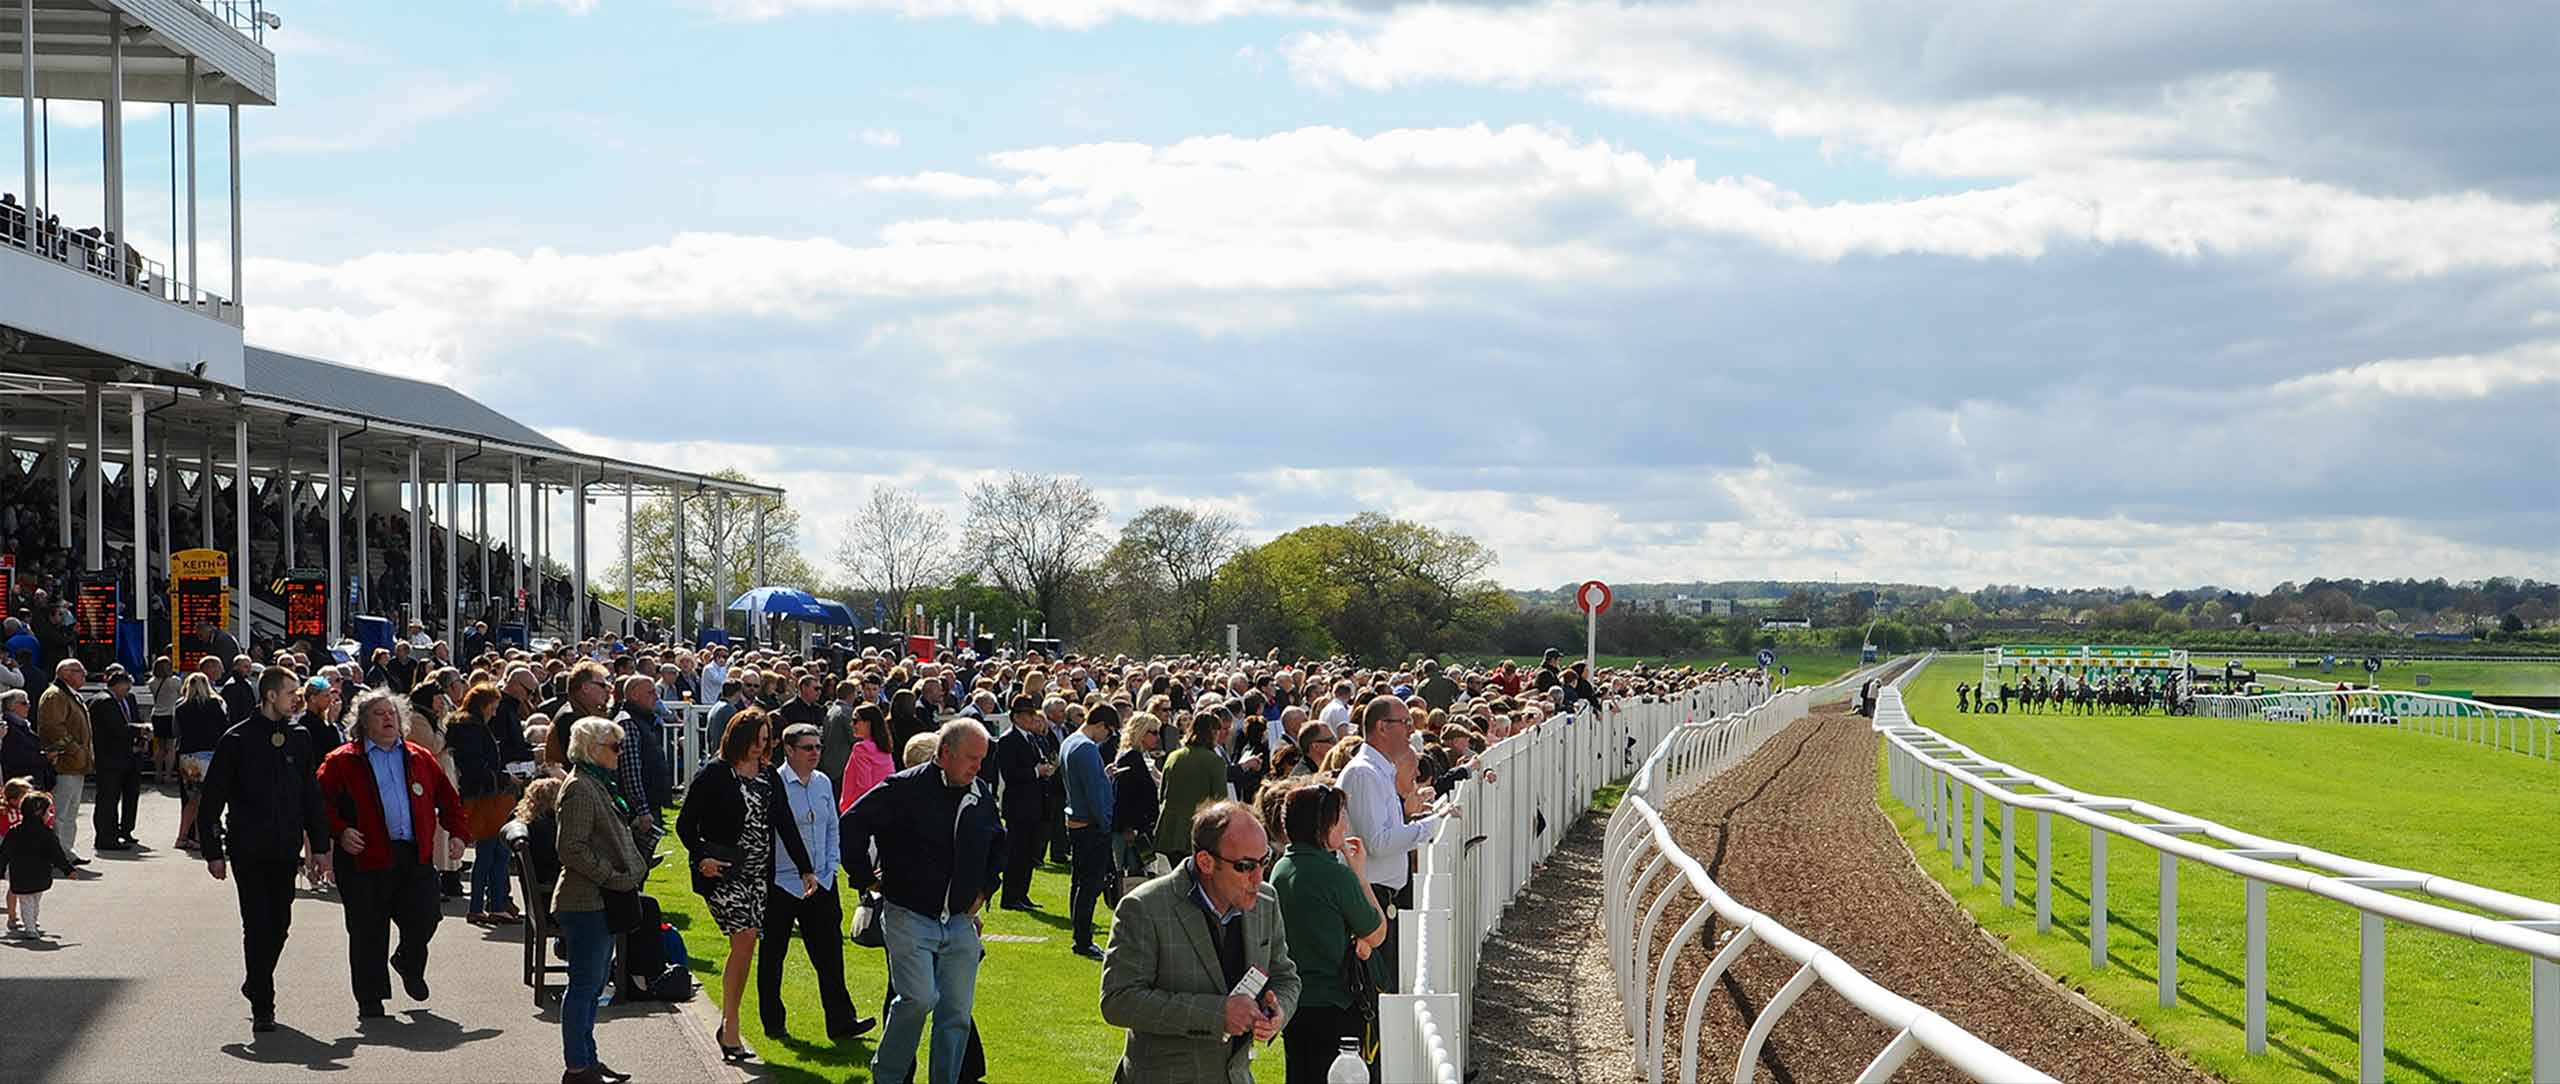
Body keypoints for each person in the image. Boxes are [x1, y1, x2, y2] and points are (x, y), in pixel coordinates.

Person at [840, 719, 1004, 1084]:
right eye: (971, 758)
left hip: (959, 921)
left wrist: (985, 889)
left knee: (957, 1014)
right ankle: (889, 1077)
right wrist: (865, 878)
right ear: (945, 754)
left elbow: (997, 840)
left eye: (982, 758)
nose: (978, 766)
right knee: (917, 999)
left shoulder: (980, 793)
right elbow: (852, 822)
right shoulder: (902, 789)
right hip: (908, 915)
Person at [1099, 800, 1302, 1084]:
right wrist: (1217, 1014)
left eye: (1265, 860)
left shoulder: (1266, 901)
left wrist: (1277, 1011)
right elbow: (1119, 1000)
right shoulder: (1144, 907)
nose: (1259, 877)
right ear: (1206, 862)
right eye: (1245, 866)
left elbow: (1285, 977)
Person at [316, 687, 469, 1019]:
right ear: (362, 723)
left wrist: (458, 833)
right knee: (367, 929)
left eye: (392, 714)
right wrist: (340, 831)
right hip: (364, 858)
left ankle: (408, 961)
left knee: (426, 915)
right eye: (379, 714)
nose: (388, 719)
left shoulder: (418, 757)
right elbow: (318, 804)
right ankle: (370, 998)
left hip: (414, 855)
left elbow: (447, 798)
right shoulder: (342, 760)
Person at [197, 666, 332, 1032]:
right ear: (271, 695)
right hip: (248, 847)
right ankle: (263, 1002)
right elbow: (212, 799)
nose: (297, 700)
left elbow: (311, 797)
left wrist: (320, 846)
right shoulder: (237, 739)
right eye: (291, 693)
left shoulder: (300, 737)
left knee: (280, 924)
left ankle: (255, 979)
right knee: (257, 924)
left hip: (286, 847)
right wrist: (213, 850)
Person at [760, 722, 875, 1040]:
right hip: (782, 882)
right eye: (808, 748)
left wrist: (831, 868)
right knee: (773, 955)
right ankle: (773, 1021)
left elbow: (831, 827)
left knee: (830, 955)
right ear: (789, 750)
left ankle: (841, 1021)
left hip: (822, 882)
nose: (815, 754)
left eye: (818, 747)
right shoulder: (775, 784)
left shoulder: (823, 782)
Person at [676, 708, 778, 1064]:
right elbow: (686, 825)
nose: (760, 747)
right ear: (738, 738)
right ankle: (731, 1025)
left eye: (765, 741)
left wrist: (808, 868)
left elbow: (783, 825)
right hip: (721, 871)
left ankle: (729, 1021)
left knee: (748, 944)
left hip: (758, 873)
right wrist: (701, 857)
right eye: (755, 740)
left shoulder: (767, 775)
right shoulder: (714, 774)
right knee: (744, 936)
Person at [1271, 783, 1387, 1083]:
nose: (1346, 824)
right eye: (1340, 818)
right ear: (1322, 824)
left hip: (1294, 1003)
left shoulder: (1279, 869)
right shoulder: (1337, 876)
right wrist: (1360, 874)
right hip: (1337, 1003)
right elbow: (1376, 933)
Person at [1338, 694, 1453, 993]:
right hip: (1370, 893)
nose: (1411, 730)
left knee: (1388, 984)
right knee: (1378, 990)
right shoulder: (1364, 773)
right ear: (1381, 727)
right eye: (1404, 723)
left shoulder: (1378, 771)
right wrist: (1431, 825)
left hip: (1382, 891)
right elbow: (1378, 842)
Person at [555, 718, 645, 1084]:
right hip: (587, 901)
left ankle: (587, 1059)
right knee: (584, 986)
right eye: (614, 746)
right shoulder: (580, 787)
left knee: (592, 987)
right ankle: (578, 1067)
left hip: (600, 900)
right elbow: (570, 848)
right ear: (592, 748)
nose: (620, 753)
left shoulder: (597, 783)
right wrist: (611, 874)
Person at [446, 683, 521, 926]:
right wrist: (504, 777)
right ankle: (485, 906)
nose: (495, 712)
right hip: (484, 797)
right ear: (484, 705)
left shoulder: (465, 725)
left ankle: (489, 904)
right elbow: (475, 768)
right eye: (493, 707)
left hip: (481, 795)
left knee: (492, 853)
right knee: (492, 853)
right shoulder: (472, 728)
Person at [1059, 702, 1117, 959]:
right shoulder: (1086, 748)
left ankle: (1079, 933)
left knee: (1078, 881)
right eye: (1110, 731)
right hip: (1090, 825)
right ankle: (1082, 939)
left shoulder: (1071, 741)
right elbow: (1094, 794)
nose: (1109, 737)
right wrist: (1106, 824)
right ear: (1102, 725)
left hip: (1076, 820)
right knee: (1089, 885)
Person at [991, 696, 1055, 911]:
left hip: (1033, 803)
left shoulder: (1031, 738)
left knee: (1029, 853)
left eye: (1032, 714)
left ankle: (1022, 893)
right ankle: (1011, 896)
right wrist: (1037, 771)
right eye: (1027, 714)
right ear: (1016, 717)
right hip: (1019, 805)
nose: (1031, 718)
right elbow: (1010, 774)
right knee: (1016, 853)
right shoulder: (1009, 740)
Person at [1155, 712, 1228, 868]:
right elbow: (1220, 802)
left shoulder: (1173, 756)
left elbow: (1162, 794)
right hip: (1197, 832)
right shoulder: (1215, 761)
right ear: (1213, 733)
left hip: (1169, 830)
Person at [35, 657, 90, 858]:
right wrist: (75, 748)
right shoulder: (54, 696)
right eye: (79, 671)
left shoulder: (70, 695)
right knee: (59, 812)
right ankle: (56, 854)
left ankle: (67, 851)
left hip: (76, 763)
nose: (84, 675)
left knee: (71, 811)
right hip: (64, 762)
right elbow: (53, 728)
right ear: (65, 674)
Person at [3, 790, 75, 939]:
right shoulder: (47, 834)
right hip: (41, 875)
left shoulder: (14, 832)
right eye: (48, 812)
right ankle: (31, 926)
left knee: (28, 900)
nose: (50, 815)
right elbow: (57, 855)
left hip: (20, 874)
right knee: (33, 899)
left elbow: (3, 854)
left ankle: (31, 924)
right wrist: (68, 870)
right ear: (38, 813)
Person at [87, 670, 144, 850]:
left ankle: (114, 834)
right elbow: (116, 730)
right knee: (108, 800)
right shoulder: (105, 702)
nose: (128, 691)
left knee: (111, 798)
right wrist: (139, 730)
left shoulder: (107, 700)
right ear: (118, 685)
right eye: (127, 687)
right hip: (111, 759)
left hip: (117, 757)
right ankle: (106, 838)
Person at [172, 672, 227, 849]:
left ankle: (182, 836)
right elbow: (223, 728)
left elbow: (176, 731)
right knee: (205, 799)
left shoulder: (181, 706)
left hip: (187, 755)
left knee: (191, 799)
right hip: (208, 755)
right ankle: (198, 837)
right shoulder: (215, 704)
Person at [1110, 711, 1163, 884]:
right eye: (1153, 732)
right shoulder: (1131, 757)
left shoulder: (1139, 756)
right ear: (1141, 732)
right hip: (1133, 829)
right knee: (1134, 875)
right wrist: (1128, 827)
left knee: (1143, 870)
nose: (1157, 737)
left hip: (1141, 826)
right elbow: (1123, 795)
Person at [835, 702, 895, 813]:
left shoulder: (861, 748)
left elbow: (864, 786)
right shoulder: (885, 748)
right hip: (884, 806)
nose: (851, 725)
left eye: (855, 720)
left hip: (861, 809)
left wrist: (852, 812)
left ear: (868, 723)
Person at [145, 655, 183, 782]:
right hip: (170, 715)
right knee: (170, 747)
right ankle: (168, 774)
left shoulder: (152, 682)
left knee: (160, 747)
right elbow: (182, 693)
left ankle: (158, 773)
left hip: (157, 715)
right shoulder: (175, 681)